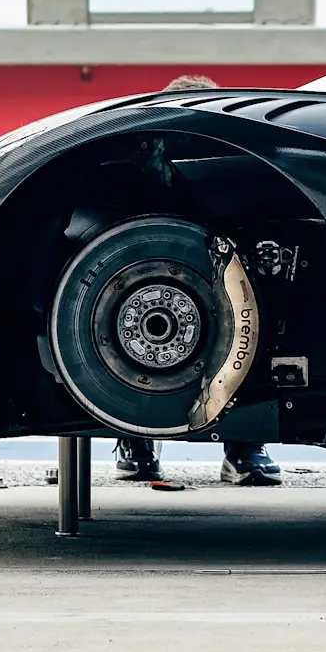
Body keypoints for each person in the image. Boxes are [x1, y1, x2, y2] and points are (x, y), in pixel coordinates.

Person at [112, 72, 283, 488]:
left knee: (257, 319)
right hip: (147, 281)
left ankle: (244, 446)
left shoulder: (227, 166)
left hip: (220, 281)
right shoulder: (133, 171)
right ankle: (137, 442)